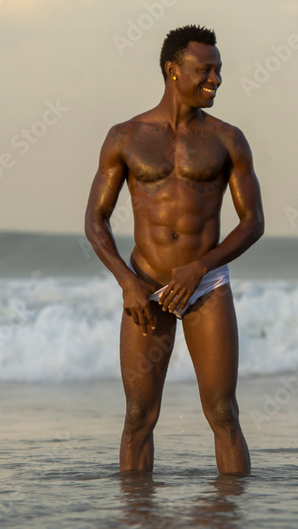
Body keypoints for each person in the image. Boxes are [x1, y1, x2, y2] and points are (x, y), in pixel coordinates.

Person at [84, 25, 264, 475]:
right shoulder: (125, 137)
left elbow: (253, 223)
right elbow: (95, 221)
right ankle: (138, 519)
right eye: (205, 70)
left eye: (219, 71)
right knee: (138, 419)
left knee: (223, 413)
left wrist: (198, 267)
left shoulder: (228, 139)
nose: (216, 80)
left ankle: (230, 519)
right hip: (144, 289)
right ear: (172, 70)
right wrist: (127, 282)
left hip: (205, 286)